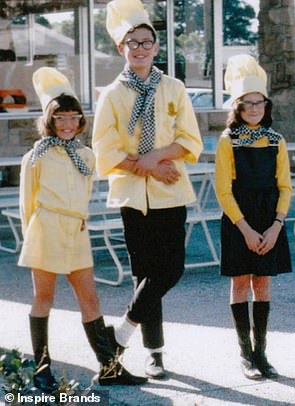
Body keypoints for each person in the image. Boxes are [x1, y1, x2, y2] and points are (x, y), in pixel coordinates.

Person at [92, 0, 202, 379]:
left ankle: (120, 334)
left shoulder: (173, 87)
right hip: (132, 194)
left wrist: (153, 158)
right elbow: (105, 149)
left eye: (145, 42)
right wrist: (149, 167)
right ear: (121, 49)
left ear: (156, 48)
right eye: (132, 42)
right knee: (145, 275)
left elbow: (189, 139)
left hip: (171, 193)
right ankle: (155, 354)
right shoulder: (111, 94)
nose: (139, 48)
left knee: (171, 269)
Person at [20, 67, 146, 392]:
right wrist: (31, 240)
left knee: (90, 300)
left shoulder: (87, 156)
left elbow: (88, 192)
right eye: (59, 117)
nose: (66, 124)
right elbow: (27, 203)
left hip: (76, 231)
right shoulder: (35, 157)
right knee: (43, 299)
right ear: (49, 120)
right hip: (46, 229)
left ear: (80, 120)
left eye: (72, 117)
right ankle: (42, 368)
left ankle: (108, 367)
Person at [215, 54, 292, 380]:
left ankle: (262, 353)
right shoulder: (227, 141)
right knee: (241, 283)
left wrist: (276, 227)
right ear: (238, 107)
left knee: (262, 283)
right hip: (239, 222)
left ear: (266, 105)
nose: (254, 109)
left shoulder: (276, 140)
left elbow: (285, 187)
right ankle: (245, 353)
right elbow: (223, 190)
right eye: (247, 104)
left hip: (268, 221)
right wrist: (245, 229)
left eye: (259, 103)